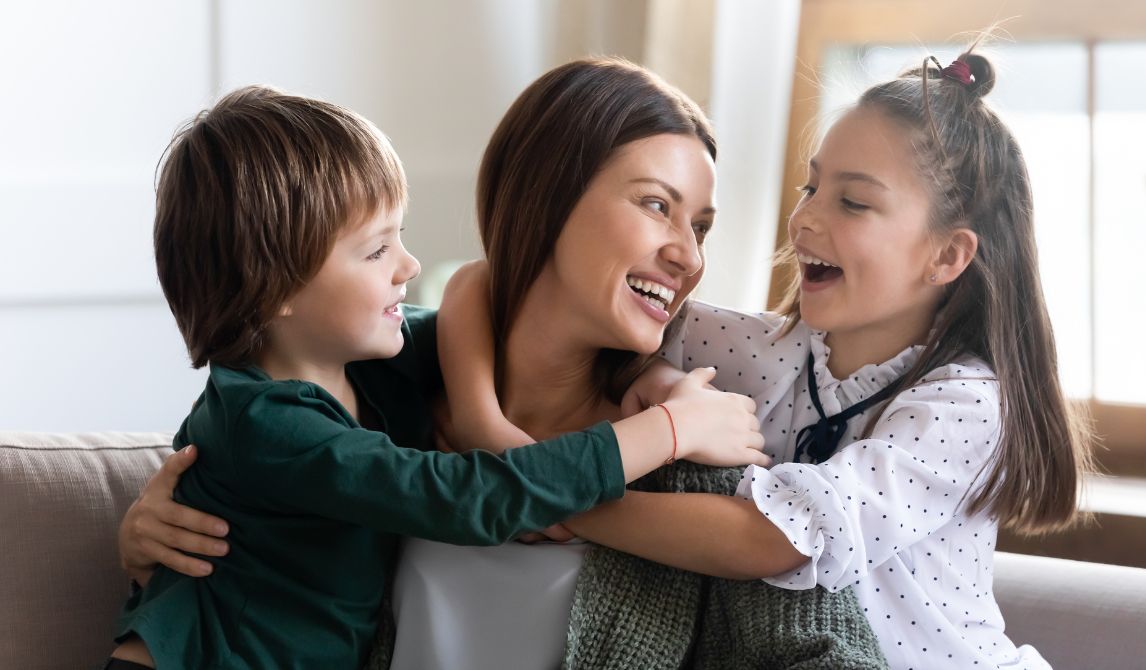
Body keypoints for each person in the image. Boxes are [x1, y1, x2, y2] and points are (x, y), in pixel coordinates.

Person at [443, 48, 1095, 669]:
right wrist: (483, 425)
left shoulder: (967, 405)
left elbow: (768, 538)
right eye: (811, 187)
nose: (806, 218)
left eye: (853, 201)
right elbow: (503, 284)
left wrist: (546, 494)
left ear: (947, 256)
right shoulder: (760, 350)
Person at [104, 84, 767, 670]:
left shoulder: (371, 367)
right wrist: (670, 429)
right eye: (376, 250)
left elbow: (469, 291)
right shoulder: (268, 420)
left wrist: (501, 417)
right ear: (273, 288)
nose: (408, 265)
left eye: (400, 237)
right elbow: (463, 496)